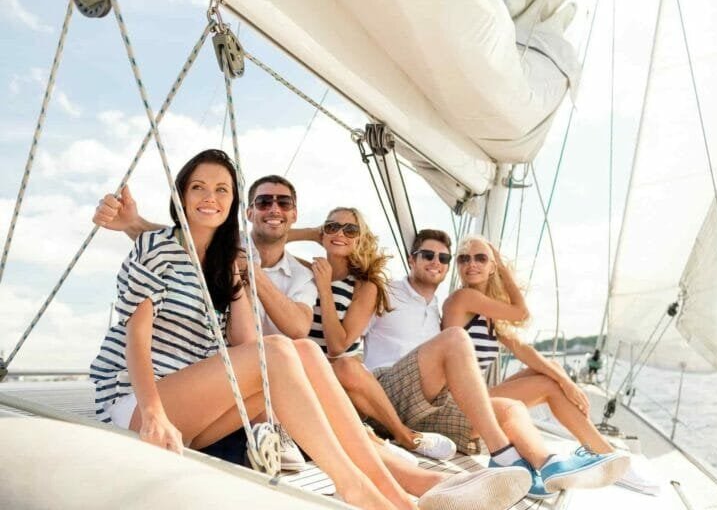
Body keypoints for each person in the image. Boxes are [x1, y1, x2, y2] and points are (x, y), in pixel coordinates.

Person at [92, 170, 532, 509]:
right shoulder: (171, 247)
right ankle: (370, 488)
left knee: (301, 351)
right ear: (247, 212)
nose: (212, 198)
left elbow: (276, 334)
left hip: (238, 391)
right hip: (156, 399)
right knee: (292, 357)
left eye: (222, 190)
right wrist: (135, 222)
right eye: (263, 201)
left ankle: (409, 487)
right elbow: (151, 304)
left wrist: (245, 277)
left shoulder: (265, 270)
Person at [359, 229, 630, 499]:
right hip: (407, 393)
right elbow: (520, 312)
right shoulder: (452, 298)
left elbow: (526, 352)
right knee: (457, 339)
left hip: (437, 403)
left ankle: (551, 464)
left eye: (445, 258)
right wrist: (499, 263)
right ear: (412, 259)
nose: (469, 264)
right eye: (463, 259)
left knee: (523, 398)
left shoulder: (439, 307)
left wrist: (565, 380)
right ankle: (512, 455)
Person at [288, 208, 456, 460]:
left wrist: (324, 289)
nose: (340, 233)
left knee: (346, 365)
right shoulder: (309, 270)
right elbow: (263, 243)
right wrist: (313, 233)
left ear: (360, 238)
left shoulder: (366, 287)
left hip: (337, 378)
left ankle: (404, 436)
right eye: (332, 227)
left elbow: (337, 346)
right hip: (298, 369)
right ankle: (379, 442)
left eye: (350, 230)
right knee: (344, 369)